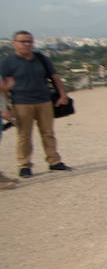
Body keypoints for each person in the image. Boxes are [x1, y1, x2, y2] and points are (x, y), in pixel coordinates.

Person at [0, 30, 71, 177]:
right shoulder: (7, 62)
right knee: (24, 136)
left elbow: (55, 77)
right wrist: (5, 108)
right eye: (23, 41)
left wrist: (63, 95)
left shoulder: (40, 58)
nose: (27, 44)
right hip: (21, 103)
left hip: (44, 101)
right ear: (14, 43)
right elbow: (1, 87)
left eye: (29, 41)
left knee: (48, 133)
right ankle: (24, 165)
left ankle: (54, 161)